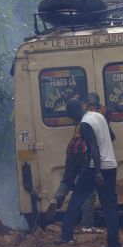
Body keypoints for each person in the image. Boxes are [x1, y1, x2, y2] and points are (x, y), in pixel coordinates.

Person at [55, 97, 122, 247]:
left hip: (95, 168)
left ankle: (66, 236)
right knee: (110, 206)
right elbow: (110, 137)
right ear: (82, 106)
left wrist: (97, 172)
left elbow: (93, 148)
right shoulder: (98, 116)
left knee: (77, 199)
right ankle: (114, 243)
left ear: (73, 115)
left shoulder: (85, 124)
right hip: (111, 165)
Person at [47, 100, 99, 236]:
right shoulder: (91, 117)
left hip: (72, 151)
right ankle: (87, 224)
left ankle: (57, 198)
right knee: (89, 189)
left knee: (67, 180)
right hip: (83, 152)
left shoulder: (77, 119)